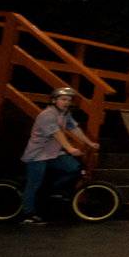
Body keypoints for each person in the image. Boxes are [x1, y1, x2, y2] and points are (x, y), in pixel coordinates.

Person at [19, 87, 98, 222]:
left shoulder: (64, 114)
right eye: (63, 99)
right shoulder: (47, 115)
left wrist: (90, 143)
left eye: (69, 100)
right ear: (54, 100)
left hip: (53, 153)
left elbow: (74, 128)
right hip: (37, 154)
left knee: (74, 168)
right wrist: (70, 148)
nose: (66, 102)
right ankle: (27, 214)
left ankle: (51, 190)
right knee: (34, 184)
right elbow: (57, 134)